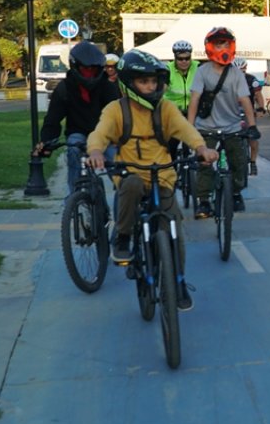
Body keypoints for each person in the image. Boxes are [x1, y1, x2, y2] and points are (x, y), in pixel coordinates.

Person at [86, 50, 218, 310]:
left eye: (153, 81)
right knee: (132, 186)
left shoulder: (165, 108)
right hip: (130, 172)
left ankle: (178, 281)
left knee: (174, 229)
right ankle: (123, 236)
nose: (150, 86)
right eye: (143, 82)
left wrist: (202, 149)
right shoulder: (116, 110)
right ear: (129, 83)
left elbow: (185, 129)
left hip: (163, 174)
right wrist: (96, 152)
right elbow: (100, 133)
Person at [187, 27, 258, 218]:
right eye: (219, 43)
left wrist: (252, 127)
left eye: (226, 43)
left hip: (232, 127)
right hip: (206, 127)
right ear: (210, 46)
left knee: (239, 162)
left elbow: (245, 101)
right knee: (205, 164)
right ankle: (203, 201)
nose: (223, 47)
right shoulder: (202, 72)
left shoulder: (236, 74)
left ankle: (235, 193)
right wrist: (189, 128)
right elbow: (195, 99)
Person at [35, 41, 122, 192]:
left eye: (93, 70)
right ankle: (74, 196)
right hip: (78, 134)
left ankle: (122, 203)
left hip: (105, 135)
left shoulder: (108, 87)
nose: (89, 73)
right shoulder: (64, 89)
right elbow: (53, 119)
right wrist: (46, 142)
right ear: (75, 67)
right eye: (85, 69)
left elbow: (118, 116)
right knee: (74, 151)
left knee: (121, 176)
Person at [236, 57, 263, 176]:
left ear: (245, 69)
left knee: (253, 138)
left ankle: (253, 162)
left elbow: (258, 95)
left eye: (241, 70)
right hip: (232, 113)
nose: (239, 73)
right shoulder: (228, 79)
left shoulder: (252, 79)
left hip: (249, 112)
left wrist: (261, 108)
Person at [165, 40, 196, 115]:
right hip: (172, 112)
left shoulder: (198, 67)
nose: (184, 61)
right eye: (180, 59)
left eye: (187, 58)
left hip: (194, 112)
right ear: (175, 58)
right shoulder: (167, 69)